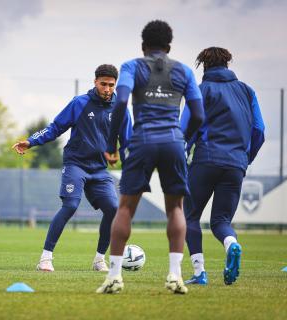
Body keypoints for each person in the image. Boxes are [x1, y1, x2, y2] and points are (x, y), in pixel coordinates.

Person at [96, 20, 204, 294]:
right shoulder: (184, 71)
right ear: (169, 46)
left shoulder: (132, 66)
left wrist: (112, 143)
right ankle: (175, 276)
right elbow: (199, 115)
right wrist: (181, 139)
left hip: (142, 142)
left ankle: (115, 277)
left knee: (125, 208)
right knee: (176, 209)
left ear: (143, 46)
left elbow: (120, 102)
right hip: (173, 142)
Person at [12, 64, 132, 272]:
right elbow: (55, 128)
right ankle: (45, 258)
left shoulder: (121, 109)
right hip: (76, 164)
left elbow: (128, 142)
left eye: (111, 85)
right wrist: (31, 142)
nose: (107, 89)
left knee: (113, 209)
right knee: (71, 205)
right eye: (103, 84)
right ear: (95, 82)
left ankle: (98, 260)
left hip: (99, 170)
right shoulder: (80, 103)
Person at [180, 47, 265, 286]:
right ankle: (232, 244)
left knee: (190, 216)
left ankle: (199, 273)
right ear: (227, 64)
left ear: (203, 65)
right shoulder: (247, 91)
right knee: (221, 221)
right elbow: (259, 129)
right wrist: (245, 158)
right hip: (236, 164)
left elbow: (186, 126)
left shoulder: (200, 90)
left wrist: (183, 152)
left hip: (206, 160)